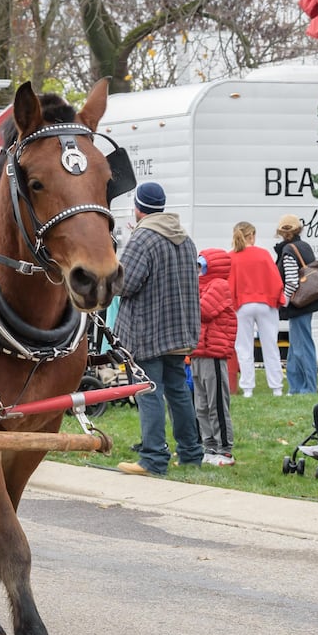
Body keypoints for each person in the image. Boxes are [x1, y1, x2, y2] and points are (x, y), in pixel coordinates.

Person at [114, 181, 204, 476]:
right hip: (179, 332)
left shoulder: (143, 239)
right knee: (177, 391)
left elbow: (124, 284)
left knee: (148, 392)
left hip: (148, 332)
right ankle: (191, 454)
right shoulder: (185, 238)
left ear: (138, 208)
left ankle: (152, 458)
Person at [229, 221, 285, 398]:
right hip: (265, 304)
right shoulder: (263, 254)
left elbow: (229, 285)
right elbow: (276, 281)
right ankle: (276, 388)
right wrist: (278, 300)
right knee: (271, 346)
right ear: (252, 235)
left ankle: (247, 389)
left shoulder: (232, 256)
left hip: (242, 306)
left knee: (243, 347)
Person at [192, 248, 236, 466]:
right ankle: (208, 445)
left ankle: (224, 448)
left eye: (201, 266)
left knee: (216, 403)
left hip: (213, 354)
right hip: (198, 353)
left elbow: (204, 310)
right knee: (201, 404)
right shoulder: (199, 287)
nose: (197, 270)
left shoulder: (219, 285)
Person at [275, 213, 318, 395]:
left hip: (299, 304)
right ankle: (296, 386)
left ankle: (307, 388)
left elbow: (291, 282)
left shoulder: (288, 250)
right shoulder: (304, 246)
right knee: (297, 345)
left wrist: (284, 302)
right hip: (309, 301)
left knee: (302, 346)